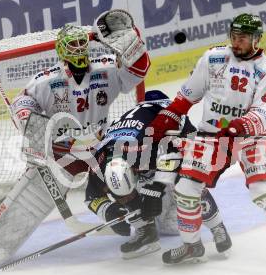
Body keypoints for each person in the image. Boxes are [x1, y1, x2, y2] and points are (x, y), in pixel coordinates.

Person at [0, 9, 151, 265]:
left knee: (121, 179)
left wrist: (134, 42)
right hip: (62, 152)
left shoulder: (106, 68)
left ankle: (147, 226)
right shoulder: (47, 80)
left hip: (100, 144)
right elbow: (24, 101)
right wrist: (24, 115)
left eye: (82, 44)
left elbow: (137, 73)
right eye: (72, 45)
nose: (78, 50)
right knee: (30, 196)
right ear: (62, 50)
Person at [148, 13, 266, 265]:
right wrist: (170, 115)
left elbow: (262, 112)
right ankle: (191, 245)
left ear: (256, 39)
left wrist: (242, 125)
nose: (237, 43)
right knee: (186, 189)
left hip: (247, 139)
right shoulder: (213, 57)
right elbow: (188, 94)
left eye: (243, 38)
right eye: (234, 37)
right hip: (211, 137)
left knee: (264, 193)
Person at [85, 90, 232, 259]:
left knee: (189, 178)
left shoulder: (148, 143)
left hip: (171, 132)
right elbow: (91, 195)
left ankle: (217, 227)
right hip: (138, 141)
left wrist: (155, 190)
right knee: (133, 186)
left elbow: (176, 156)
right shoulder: (99, 161)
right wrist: (109, 211)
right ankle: (146, 232)